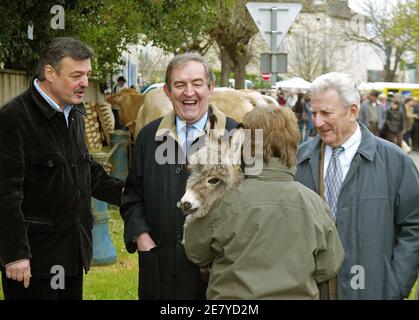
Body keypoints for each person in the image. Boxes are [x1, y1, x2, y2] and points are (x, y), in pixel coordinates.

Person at [0, 37, 124, 300]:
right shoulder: (13, 119)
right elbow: (5, 195)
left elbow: (85, 171)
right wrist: (15, 255)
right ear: (49, 73)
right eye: (76, 75)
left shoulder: (74, 112)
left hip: (72, 255)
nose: (85, 84)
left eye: (87, 75)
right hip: (33, 264)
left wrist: (129, 193)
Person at [183, 106, 344, 299]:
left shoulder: (224, 200)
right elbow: (329, 265)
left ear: (246, 148)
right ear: (293, 146)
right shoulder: (315, 204)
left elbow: (196, 253)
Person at [120, 52, 237, 300]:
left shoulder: (235, 136)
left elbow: (252, 205)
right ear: (167, 90)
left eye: (197, 83)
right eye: (180, 85)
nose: (189, 92)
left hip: (217, 277)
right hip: (160, 272)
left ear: (210, 87)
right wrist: (141, 235)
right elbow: (132, 197)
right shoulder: (148, 137)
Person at [296, 72, 419, 299]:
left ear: (353, 111)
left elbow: (414, 227)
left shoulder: (395, 161)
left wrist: (395, 285)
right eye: (313, 113)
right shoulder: (299, 159)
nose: (317, 122)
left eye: (326, 113)